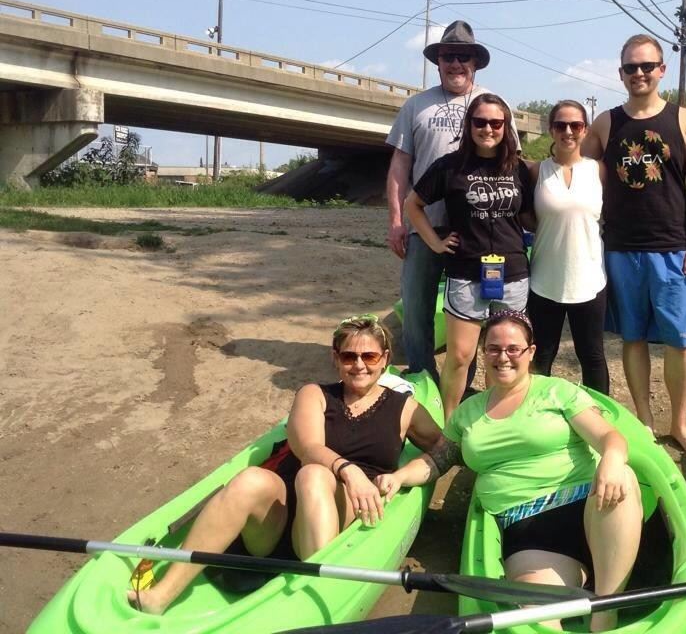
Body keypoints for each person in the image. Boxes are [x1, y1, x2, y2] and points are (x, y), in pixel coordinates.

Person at [127, 315, 441, 614]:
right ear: (335, 358)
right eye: (348, 357)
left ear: (385, 358)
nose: (359, 365)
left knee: (315, 477)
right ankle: (162, 595)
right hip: (279, 520)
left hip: (339, 513)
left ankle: (319, 593)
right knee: (254, 478)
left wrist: (401, 476)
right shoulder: (314, 394)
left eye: (369, 357)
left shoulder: (405, 409)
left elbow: (444, 451)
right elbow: (308, 447)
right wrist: (349, 469)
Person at [376, 310, 642, 632]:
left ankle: (605, 610)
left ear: (530, 353)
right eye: (493, 348)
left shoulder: (557, 391)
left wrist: (612, 459)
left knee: (623, 476)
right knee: (533, 619)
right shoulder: (468, 412)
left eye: (513, 348)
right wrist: (399, 476)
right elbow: (436, 460)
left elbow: (609, 438)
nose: (503, 357)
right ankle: (584, 590)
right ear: (483, 353)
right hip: (527, 531)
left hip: (589, 510)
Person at [581, 34, 686, 458]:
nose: (639, 73)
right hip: (620, 248)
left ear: (661, 70)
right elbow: (576, 166)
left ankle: (679, 424)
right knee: (633, 338)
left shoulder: (685, 120)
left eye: (646, 66)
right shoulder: (606, 122)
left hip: (674, 248)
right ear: (621, 73)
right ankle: (644, 421)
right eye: (630, 67)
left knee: (679, 341)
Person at [385, 20, 518, 382]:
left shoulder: (493, 105)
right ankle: (422, 378)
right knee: (416, 306)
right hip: (424, 223)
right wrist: (397, 220)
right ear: (438, 61)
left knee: (477, 306)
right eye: (448, 56)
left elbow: (513, 165)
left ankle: (467, 380)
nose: (456, 63)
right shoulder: (415, 106)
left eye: (463, 56)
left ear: (475, 61)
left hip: (475, 230)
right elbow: (400, 165)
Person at [404, 94, 533, 419]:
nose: (488, 128)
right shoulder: (449, 166)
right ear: (469, 125)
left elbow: (531, 216)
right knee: (460, 356)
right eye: (480, 122)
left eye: (495, 122)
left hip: (513, 274)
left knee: (502, 356)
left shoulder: (519, 168)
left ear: (506, 127)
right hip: (465, 273)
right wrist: (434, 242)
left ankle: (496, 419)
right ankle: (449, 427)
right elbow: (412, 205)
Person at [525, 99, 609, 394]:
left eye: (576, 125)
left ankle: (599, 415)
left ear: (585, 129)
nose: (568, 131)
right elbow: (524, 216)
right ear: (551, 130)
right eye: (561, 125)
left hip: (590, 280)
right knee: (542, 355)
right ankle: (536, 416)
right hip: (545, 280)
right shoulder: (537, 172)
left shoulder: (599, 171)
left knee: (592, 356)